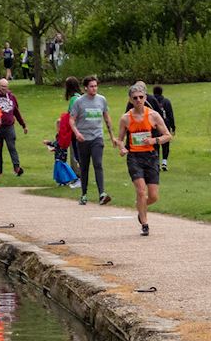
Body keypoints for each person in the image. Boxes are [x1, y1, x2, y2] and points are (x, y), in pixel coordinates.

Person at [118, 82, 173, 236]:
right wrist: (122, 148)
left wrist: (154, 141)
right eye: (135, 98)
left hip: (151, 156)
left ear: (145, 97)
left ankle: (140, 207)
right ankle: (145, 223)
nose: (138, 100)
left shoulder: (153, 115)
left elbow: (168, 136)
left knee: (153, 196)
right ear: (130, 99)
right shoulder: (125, 119)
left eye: (141, 97)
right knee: (141, 191)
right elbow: (120, 139)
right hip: (134, 157)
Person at [68, 76, 115, 206]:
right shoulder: (79, 102)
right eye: (91, 86)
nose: (94, 88)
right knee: (84, 167)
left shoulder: (102, 100)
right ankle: (84, 194)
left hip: (97, 137)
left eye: (95, 86)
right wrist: (77, 133)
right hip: (83, 138)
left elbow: (107, 117)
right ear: (86, 88)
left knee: (98, 164)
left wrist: (112, 136)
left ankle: (102, 194)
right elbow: (71, 120)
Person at [0, 78, 27, 177]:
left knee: (12, 148)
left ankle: (17, 168)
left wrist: (23, 125)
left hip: (9, 127)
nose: (4, 88)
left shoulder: (12, 97)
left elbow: (16, 112)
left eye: (5, 86)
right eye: (2, 86)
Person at [150, 85, 177, 171]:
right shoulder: (166, 101)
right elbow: (170, 114)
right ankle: (164, 162)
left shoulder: (151, 101)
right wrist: (173, 126)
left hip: (154, 125)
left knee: (156, 144)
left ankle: (156, 163)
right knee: (165, 144)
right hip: (165, 124)